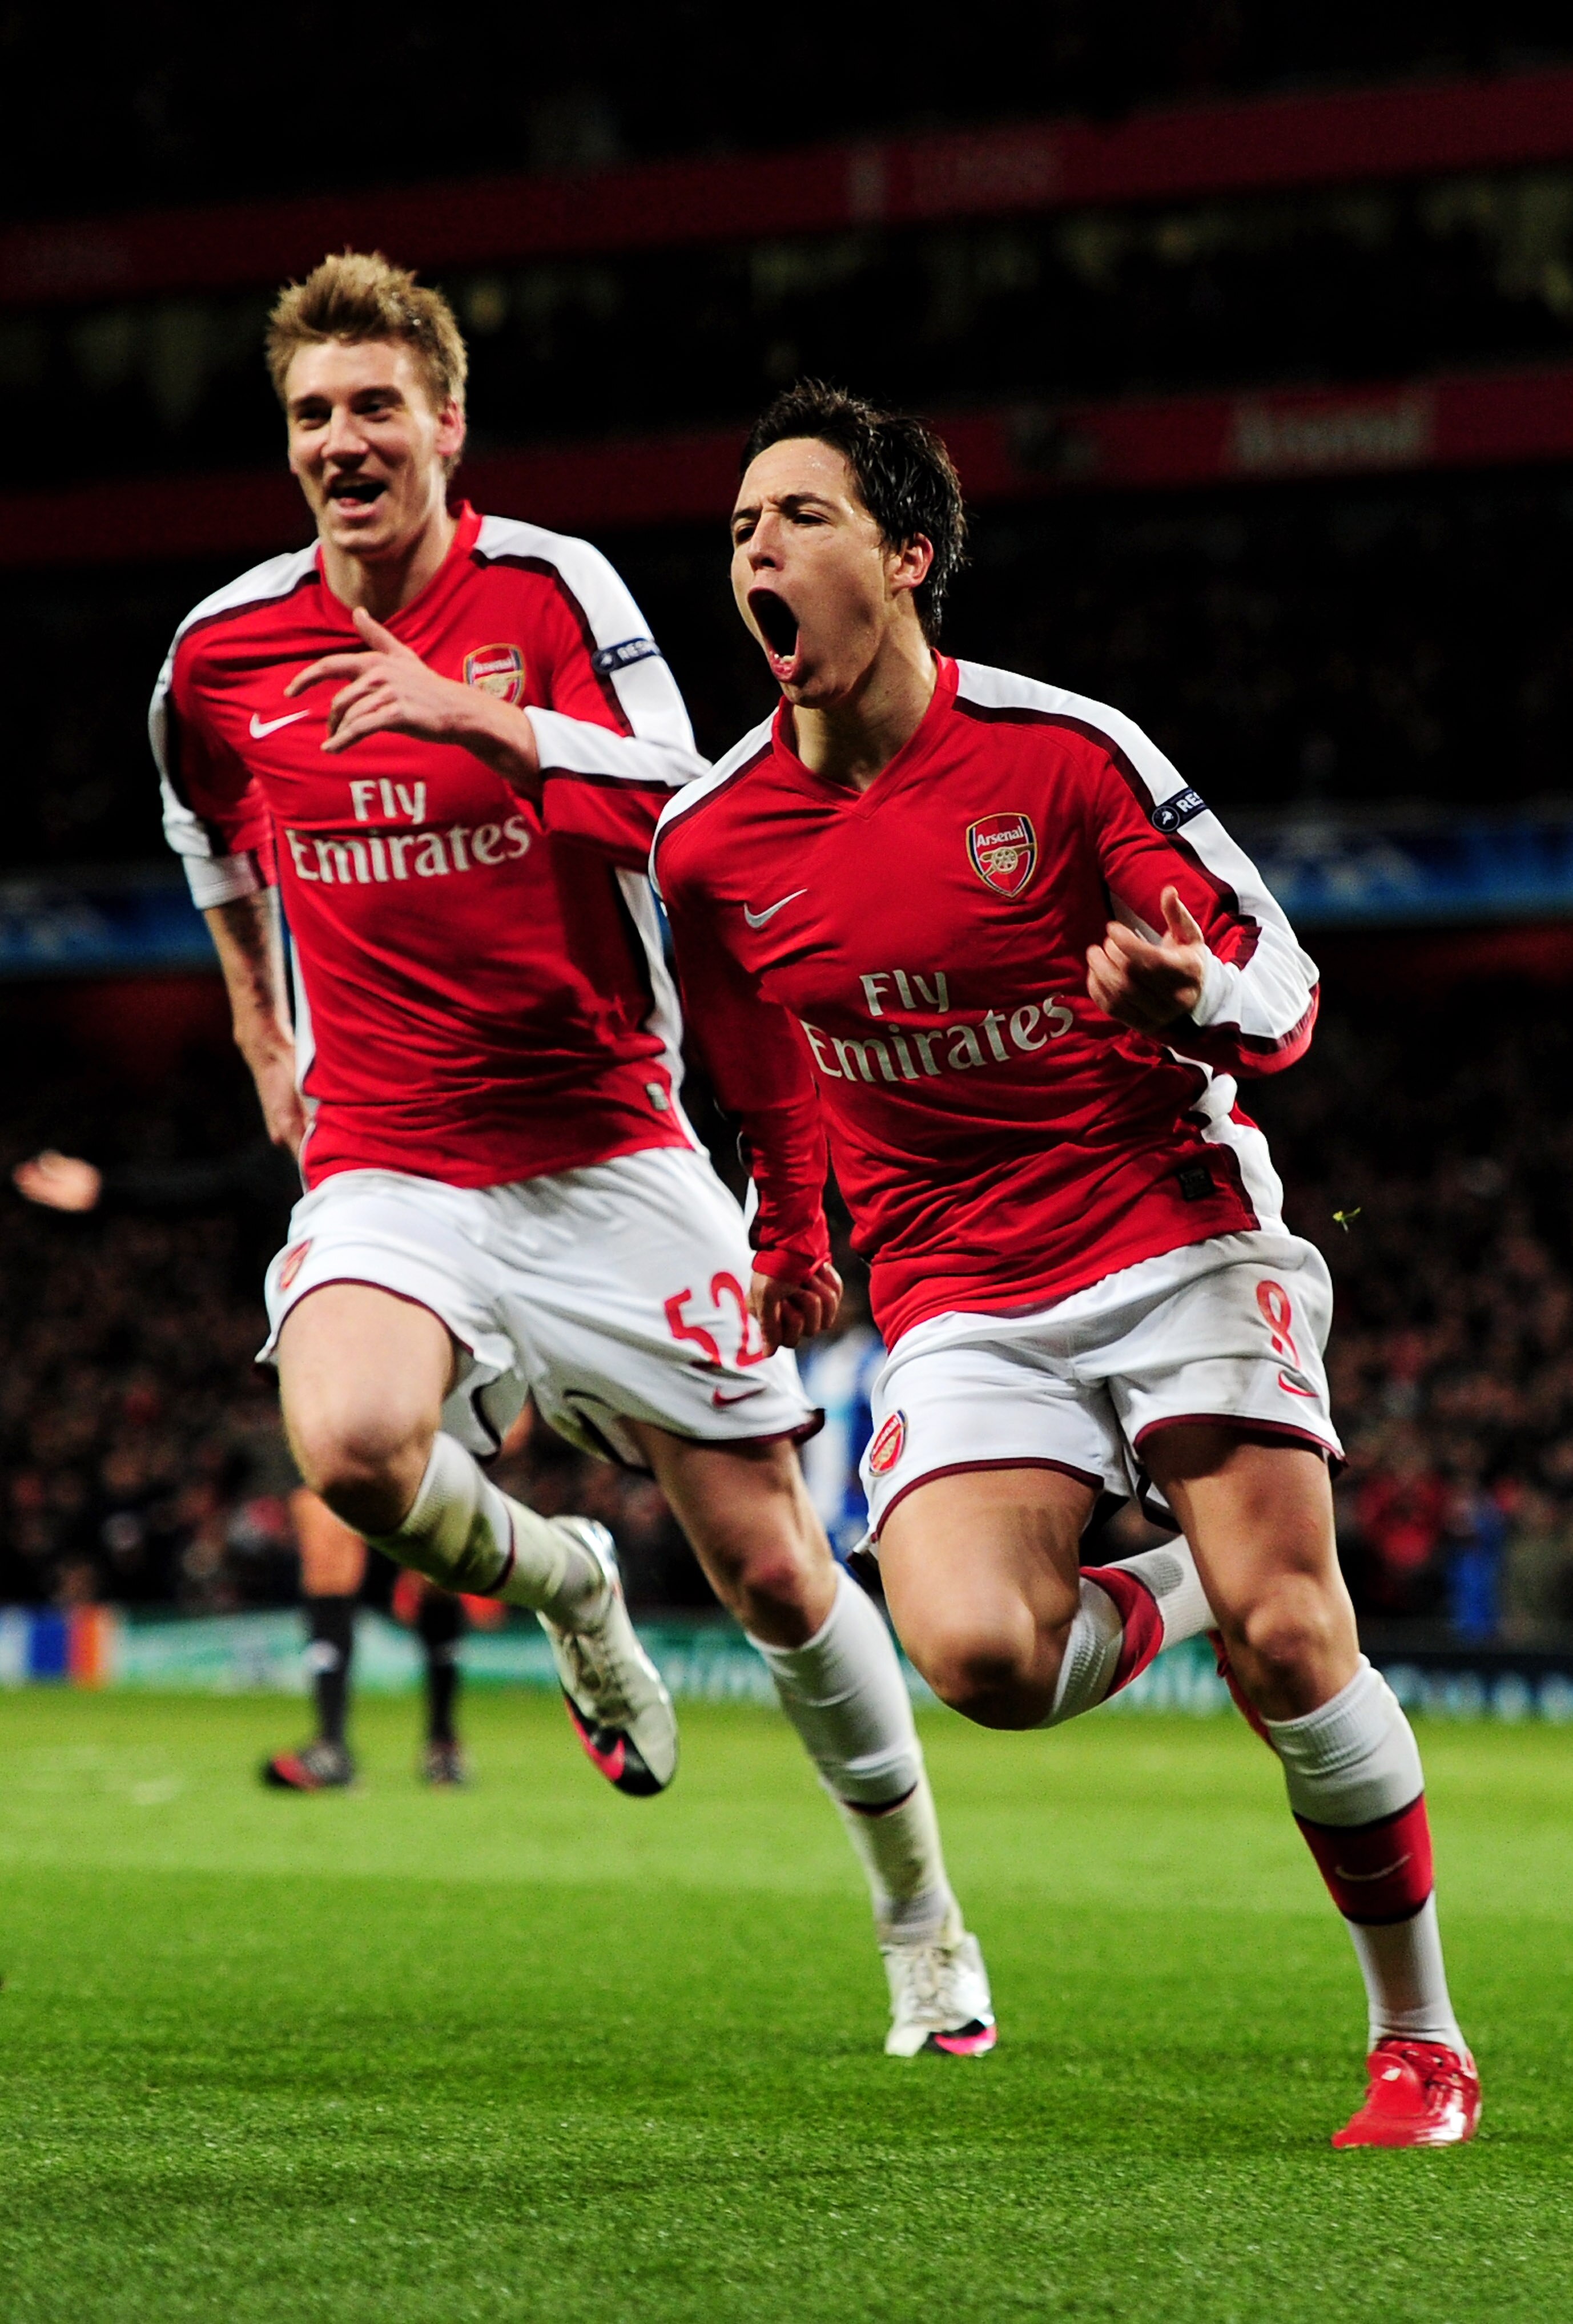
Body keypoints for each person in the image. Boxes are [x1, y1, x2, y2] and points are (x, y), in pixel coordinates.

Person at [149, 252, 1127, 2055]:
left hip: (605, 1143)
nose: (343, 440)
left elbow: (707, 816)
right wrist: (251, 1016)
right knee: (355, 1445)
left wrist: (494, 728)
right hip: (391, 1157)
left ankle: (925, 1930)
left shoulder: (547, 592)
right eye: (312, 414)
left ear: (448, 425)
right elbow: (207, 826)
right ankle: (569, 1585)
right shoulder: (221, 654)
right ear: (287, 447)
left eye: (378, 406)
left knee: (770, 1569)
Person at [652, 381, 1479, 2145]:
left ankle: (1418, 2036)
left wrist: (1199, 997)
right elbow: (760, 1071)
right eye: (738, 529)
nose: (758, 550)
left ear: (906, 556)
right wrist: (791, 1237)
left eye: (796, 516)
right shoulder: (709, 846)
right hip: (957, 1287)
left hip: (1167, 1225)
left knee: (1290, 1633)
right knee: (981, 1661)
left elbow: (1287, 978)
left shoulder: (1063, 754)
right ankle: (1183, 1578)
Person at [14, 1144, 476, 1789]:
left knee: (437, 1565)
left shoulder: (405, 1151)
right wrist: (107, 1189)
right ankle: (332, 1745)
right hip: (322, 1385)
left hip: (419, 1384)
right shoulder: (284, 1166)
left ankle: (443, 1739)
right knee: (326, 1546)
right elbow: (203, 1185)